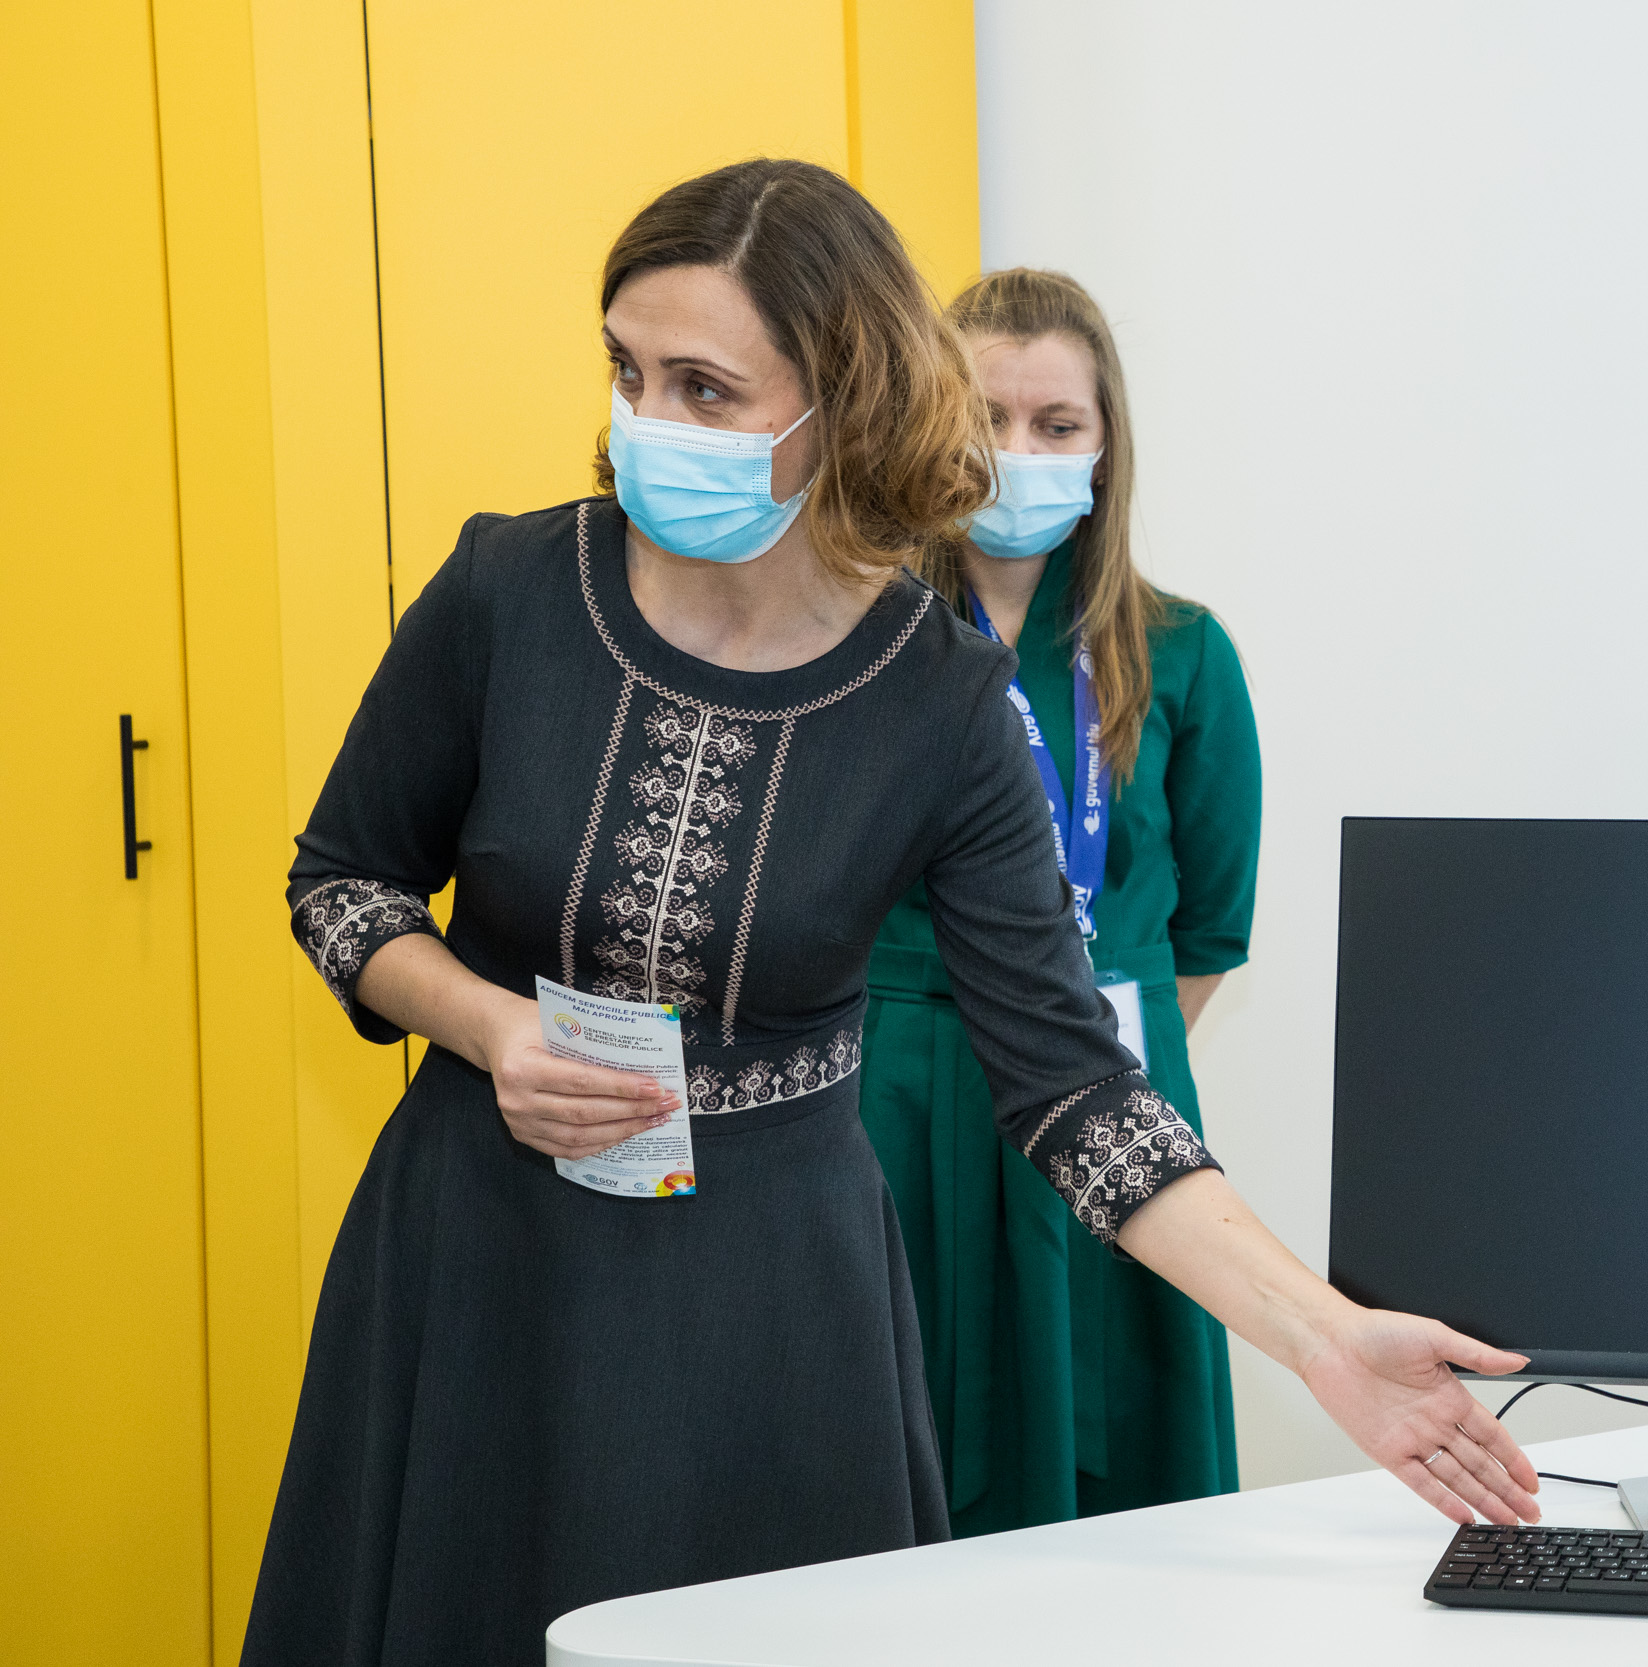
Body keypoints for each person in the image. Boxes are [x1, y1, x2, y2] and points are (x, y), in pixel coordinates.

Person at [242, 159, 1537, 1667]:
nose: (648, 421)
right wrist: (486, 1025)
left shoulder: (937, 699)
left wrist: (1324, 1334)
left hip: (775, 1308)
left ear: (840, 402)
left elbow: (1074, 1086)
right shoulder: (509, 588)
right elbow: (342, 881)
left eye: (705, 388)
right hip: (480, 1253)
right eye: (627, 371)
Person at [861, 268, 1257, 1535]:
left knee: (1127, 1470)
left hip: (1118, 1080)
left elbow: (1209, 928)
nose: (1016, 451)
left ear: (1103, 443)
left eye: (1056, 424)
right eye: (985, 417)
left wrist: (1088, 1045)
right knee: (913, 1434)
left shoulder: (1183, 649)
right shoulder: (859, 637)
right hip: (907, 1084)